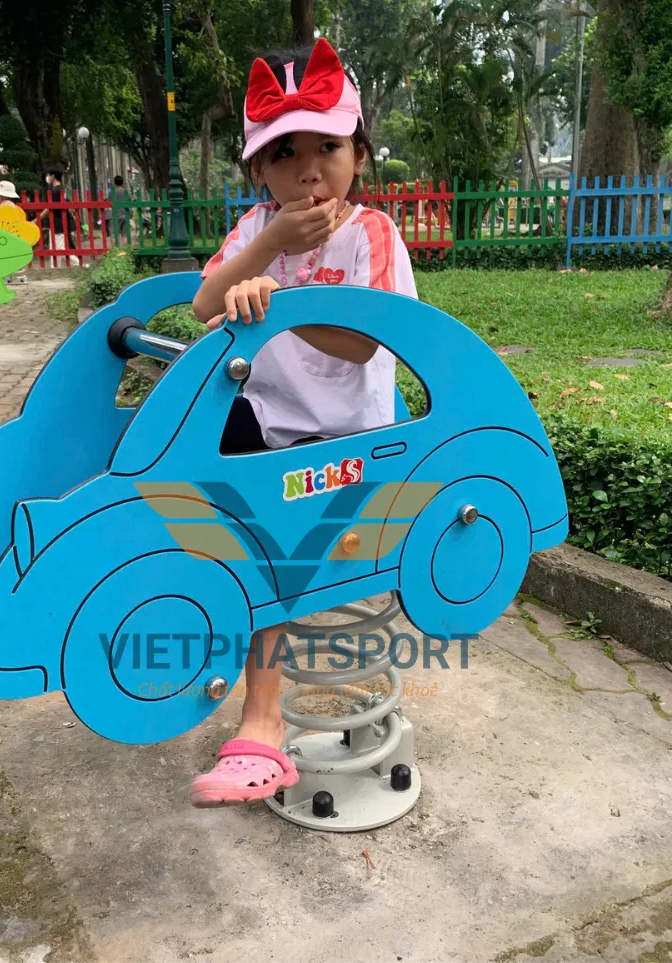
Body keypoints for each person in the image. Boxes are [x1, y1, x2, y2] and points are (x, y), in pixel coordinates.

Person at [187, 38, 417, 807]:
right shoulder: (257, 230)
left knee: (267, 529)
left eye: (328, 147)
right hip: (267, 429)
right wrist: (268, 249)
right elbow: (202, 303)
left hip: (352, 445)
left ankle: (261, 723)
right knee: (196, 461)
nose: (308, 170)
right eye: (284, 153)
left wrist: (277, 303)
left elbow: (363, 343)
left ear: (359, 154)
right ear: (259, 168)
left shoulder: (370, 235)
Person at [0, 180, 31, 283]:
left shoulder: (4, 206)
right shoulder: (14, 206)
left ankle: (10, 276)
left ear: (1, 195)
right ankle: (16, 275)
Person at [36, 168, 79, 269]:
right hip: (57, 221)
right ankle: (54, 267)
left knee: (59, 248)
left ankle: (78, 263)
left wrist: (37, 219)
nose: (47, 177)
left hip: (59, 222)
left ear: (53, 176)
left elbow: (49, 208)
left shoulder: (56, 191)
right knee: (54, 247)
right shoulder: (60, 189)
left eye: (48, 175)